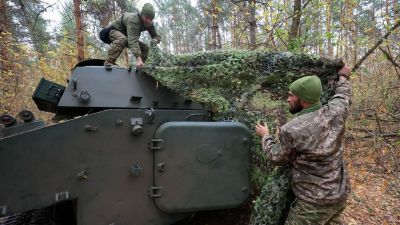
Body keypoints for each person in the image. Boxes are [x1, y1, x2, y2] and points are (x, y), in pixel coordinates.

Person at [255, 65, 352, 225]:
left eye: (291, 95)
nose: (287, 99)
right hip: (339, 196)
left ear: (304, 100)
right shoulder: (336, 112)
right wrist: (344, 77)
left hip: (312, 205)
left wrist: (266, 136)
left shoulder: (292, 130)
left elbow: (276, 158)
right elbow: (343, 95)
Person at [100, 3, 161, 68]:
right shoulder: (133, 20)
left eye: (151, 19)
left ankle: (141, 67)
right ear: (142, 15)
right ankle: (109, 62)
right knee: (122, 39)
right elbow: (133, 41)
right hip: (113, 31)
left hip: (127, 36)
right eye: (147, 18)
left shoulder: (150, 23)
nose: (148, 21)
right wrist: (138, 59)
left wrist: (156, 40)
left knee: (145, 48)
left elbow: (155, 36)